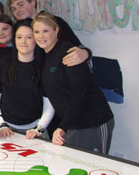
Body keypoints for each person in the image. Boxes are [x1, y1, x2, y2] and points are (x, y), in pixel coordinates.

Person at [32, 13, 114, 154]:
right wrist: (39, 128)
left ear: (56, 31)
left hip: (93, 121)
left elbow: (80, 94)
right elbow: (51, 97)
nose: (40, 36)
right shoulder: (44, 56)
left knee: (92, 168)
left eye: (45, 31)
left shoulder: (68, 52)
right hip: (74, 123)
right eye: (36, 32)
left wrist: (62, 127)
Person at [0, 19, 54, 138]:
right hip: (5, 129)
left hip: (35, 129)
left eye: (29, 37)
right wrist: (0, 124)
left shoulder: (45, 67)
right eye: (19, 37)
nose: (23, 42)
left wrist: (38, 129)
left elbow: (49, 104)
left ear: (36, 40)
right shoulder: (3, 64)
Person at [7, 0, 89, 66]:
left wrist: (86, 53)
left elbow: (78, 48)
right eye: (13, 9)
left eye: (21, 5)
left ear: (33, 2)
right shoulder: (17, 30)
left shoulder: (54, 22)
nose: (17, 11)